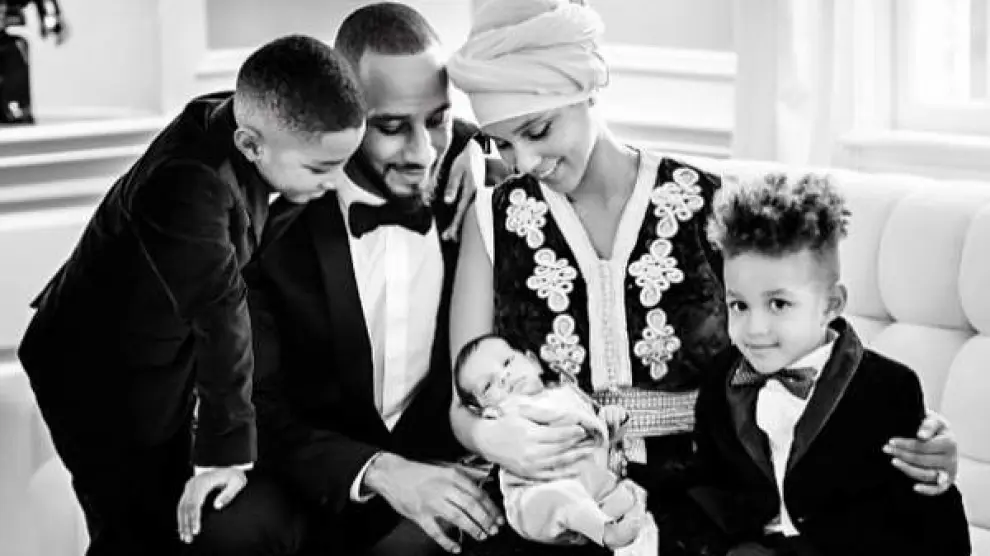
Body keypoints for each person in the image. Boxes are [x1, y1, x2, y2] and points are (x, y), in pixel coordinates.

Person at [445, 1, 962, 554]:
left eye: (538, 130)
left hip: (699, 497)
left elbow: (809, 348)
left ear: (588, 88)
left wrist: (917, 436)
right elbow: (463, 395)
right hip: (552, 493)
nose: (524, 163)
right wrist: (489, 436)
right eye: (503, 144)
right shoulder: (490, 218)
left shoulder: (708, 201)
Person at [16, 35, 367, 556]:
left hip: (166, 350)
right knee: (131, 525)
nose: (337, 182)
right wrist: (224, 455)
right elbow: (221, 317)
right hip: (96, 370)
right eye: (321, 170)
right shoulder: (186, 186)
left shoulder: (255, 121)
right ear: (250, 145)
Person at [191, 4, 500, 556]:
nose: (423, 152)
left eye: (436, 121)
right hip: (317, 474)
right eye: (390, 128)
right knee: (226, 529)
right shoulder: (268, 225)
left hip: (442, 471)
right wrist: (377, 470)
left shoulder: (474, 183)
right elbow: (261, 406)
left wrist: (484, 150)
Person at [681, 173, 971, 556]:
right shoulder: (722, 376)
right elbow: (707, 492)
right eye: (739, 305)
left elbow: (928, 515)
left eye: (779, 304)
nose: (755, 328)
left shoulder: (888, 388)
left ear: (831, 305)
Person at [454, 333, 647, 550]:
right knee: (562, 496)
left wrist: (611, 421)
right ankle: (605, 532)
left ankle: (614, 518)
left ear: (533, 362)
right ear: (480, 409)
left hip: (592, 488)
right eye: (488, 386)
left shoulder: (568, 393)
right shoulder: (504, 415)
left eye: (507, 362)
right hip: (537, 498)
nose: (504, 376)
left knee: (624, 495)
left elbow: (599, 439)